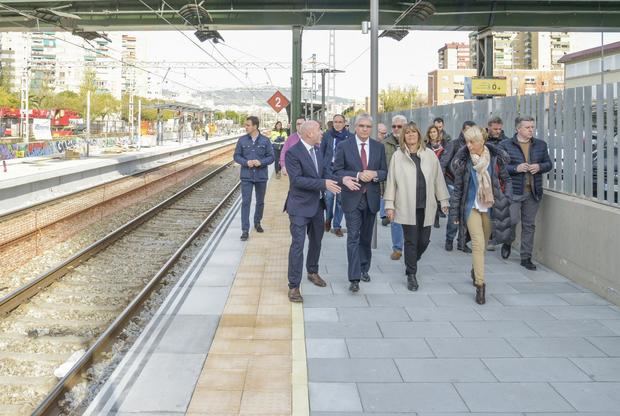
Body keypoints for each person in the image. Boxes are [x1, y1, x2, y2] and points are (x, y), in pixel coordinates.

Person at [450, 126, 512, 304]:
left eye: (472, 142)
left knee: (483, 246)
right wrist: (455, 212)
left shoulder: (495, 159)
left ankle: (475, 269)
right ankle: (480, 285)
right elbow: (458, 188)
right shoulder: (465, 161)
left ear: (481, 141)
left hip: (491, 208)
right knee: (477, 244)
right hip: (471, 207)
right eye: (466, 142)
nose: (468, 145)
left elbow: (506, 180)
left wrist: (506, 197)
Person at [384, 122, 449, 291]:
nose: (411, 135)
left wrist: (444, 200)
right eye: (408, 133)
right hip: (406, 206)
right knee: (411, 241)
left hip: (426, 206)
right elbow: (391, 183)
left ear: (419, 135)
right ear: (403, 136)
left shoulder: (429, 155)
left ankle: (411, 259)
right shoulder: (398, 156)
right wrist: (389, 205)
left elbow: (438, 180)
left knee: (424, 241)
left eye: (414, 132)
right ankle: (411, 274)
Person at [284, 120, 342, 302]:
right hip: (299, 207)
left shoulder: (318, 150)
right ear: (309, 133)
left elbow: (326, 173)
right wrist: (323, 184)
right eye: (319, 129)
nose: (322, 133)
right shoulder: (293, 153)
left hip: (317, 205)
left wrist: (344, 179)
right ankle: (293, 286)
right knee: (298, 245)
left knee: (316, 241)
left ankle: (312, 271)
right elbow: (297, 181)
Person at [333, 114, 387, 292]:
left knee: (365, 238)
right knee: (353, 237)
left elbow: (385, 172)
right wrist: (356, 175)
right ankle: (354, 277)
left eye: (368, 126)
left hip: (371, 199)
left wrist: (375, 174)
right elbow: (337, 171)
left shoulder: (378, 147)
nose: (365, 129)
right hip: (352, 198)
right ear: (355, 127)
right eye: (362, 126)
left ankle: (364, 268)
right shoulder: (344, 146)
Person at [499, 116, 552, 270]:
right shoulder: (505, 145)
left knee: (529, 225)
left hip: (533, 192)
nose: (531, 130)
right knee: (512, 220)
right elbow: (499, 167)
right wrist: (516, 168)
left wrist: (539, 167)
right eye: (527, 127)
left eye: (532, 127)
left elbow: (548, 164)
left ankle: (526, 257)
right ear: (518, 129)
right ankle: (508, 241)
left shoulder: (540, 145)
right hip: (514, 191)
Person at [233, 116, 274, 241]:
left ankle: (257, 222)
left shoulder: (265, 141)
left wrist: (260, 162)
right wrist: (246, 162)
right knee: (246, 202)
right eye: (245, 125)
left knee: (260, 201)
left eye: (248, 125)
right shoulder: (242, 140)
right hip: (247, 176)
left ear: (255, 126)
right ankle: (245, 230)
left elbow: (271, 157)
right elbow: (236, 156)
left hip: (261, 176)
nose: (245, 127)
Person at [440, 120, 476, 252]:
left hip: (469, 185)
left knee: (467, 215)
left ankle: (462, 242)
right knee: (454, 214)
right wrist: (442, 184)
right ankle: (449, 240)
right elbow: (443, 163)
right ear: (462, 130)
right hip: (453, 184)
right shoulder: (454, 144)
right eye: (467, 130)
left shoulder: (476, 145)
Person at [319, 114, 352, 237]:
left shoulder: (350, 137)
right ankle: (328, 218)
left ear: (344, 123)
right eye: (335, 122)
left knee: (340, 200)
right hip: (328, 171)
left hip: (342, 172)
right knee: (328, 198)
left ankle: (337, 226)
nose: (337, 124)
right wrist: (321, 171)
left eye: (340, 122)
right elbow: (321, 152)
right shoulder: (327, 135)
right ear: (332, 123)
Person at [382, 115, 406, 261]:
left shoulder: (413, 141)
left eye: (399, 126)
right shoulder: (385, 144)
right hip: (393, 187)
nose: (396, 129)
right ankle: (397, 248)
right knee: (395, 219)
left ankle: (410, 245)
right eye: (394, 126)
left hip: (410, 187)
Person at [426, 125, 445, 228]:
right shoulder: (426, 146)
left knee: (438, 196)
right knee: (432, 197)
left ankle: (437, 216)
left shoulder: (444, 145)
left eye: (434, 132)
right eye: (431, 132)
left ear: (438, 133)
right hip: (429, 174)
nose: (432, 134)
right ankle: (434, 217)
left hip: (442, 173)